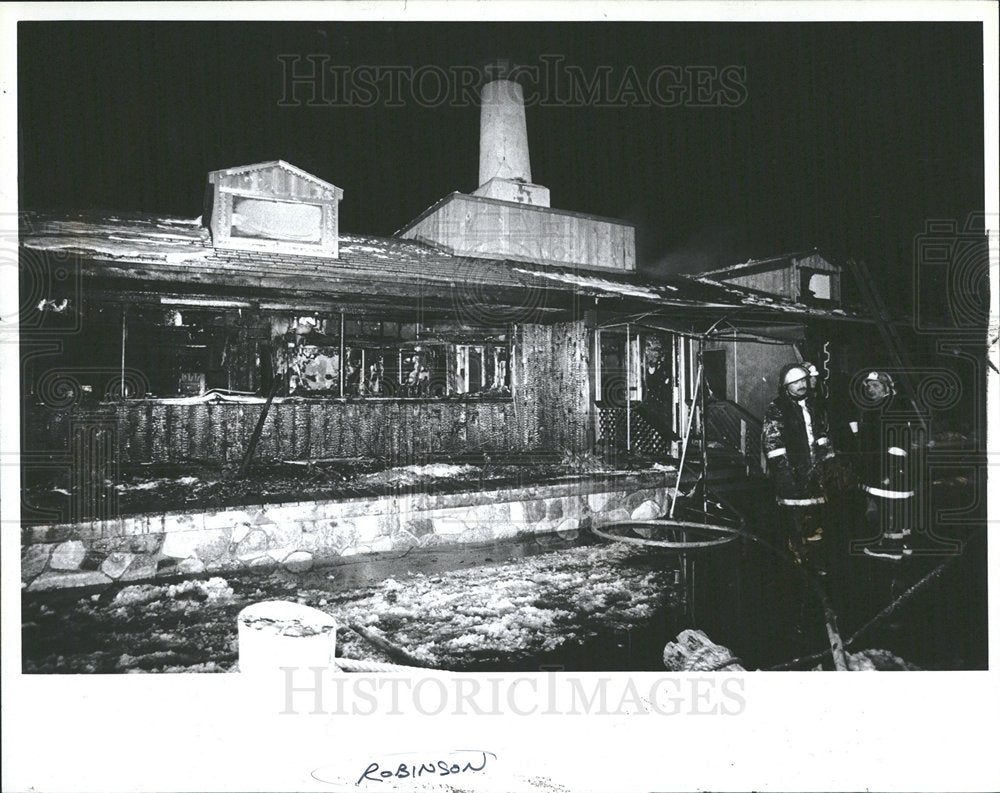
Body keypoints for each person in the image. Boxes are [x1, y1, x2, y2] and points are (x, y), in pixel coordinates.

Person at [762, 362, 835, 573]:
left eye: (803, 380)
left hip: (816, 473)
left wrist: (828, 460)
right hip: (793, 474)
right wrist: (785, 473)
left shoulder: (815, 405)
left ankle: (816, 557)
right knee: (796, 518)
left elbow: (823, 434)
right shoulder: (777, 408)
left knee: (816, 516)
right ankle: (798, 560)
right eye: (795, 383)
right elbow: (773, 443)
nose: (801, 385)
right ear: (786, 387)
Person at [851, 371, 915, 560]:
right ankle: (904, 544)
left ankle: (892, 547)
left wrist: (892, 469)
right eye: (869, 386)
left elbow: (897, 441)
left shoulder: (891, 407)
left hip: (888, 467)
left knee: (890, 506)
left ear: (887, 388)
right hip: (882, 465)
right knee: (896, 506)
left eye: (876, 385)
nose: (871, 389)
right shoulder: (881, 406)